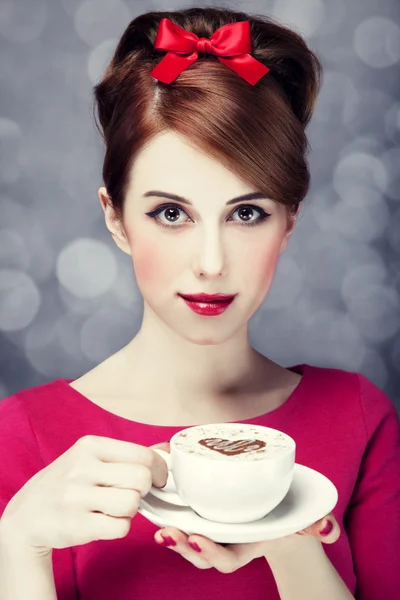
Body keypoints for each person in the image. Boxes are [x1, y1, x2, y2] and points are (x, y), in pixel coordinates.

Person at [0, 6, 399, 600]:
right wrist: (19, 546)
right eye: (171, 213)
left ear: (289, 221)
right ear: (115, 217)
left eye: (246, 213)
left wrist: (289, 542)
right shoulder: (20, 437)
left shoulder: (359, 419)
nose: (211, 262)